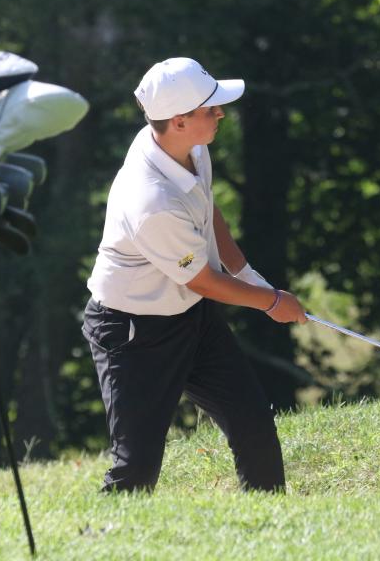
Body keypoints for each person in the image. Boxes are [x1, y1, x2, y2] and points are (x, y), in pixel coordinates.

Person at [82, 57, 308, 493]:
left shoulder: (188, 149)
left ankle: (270, 526)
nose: (221, 113)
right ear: (180, 121)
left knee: (253, 422)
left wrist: (249, 275)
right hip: (132, 332)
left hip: (189, 316)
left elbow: (207, 212)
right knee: (137, 469)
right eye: (211, 109)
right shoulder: (150, 201)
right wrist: (273, 302)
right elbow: (202, 279)